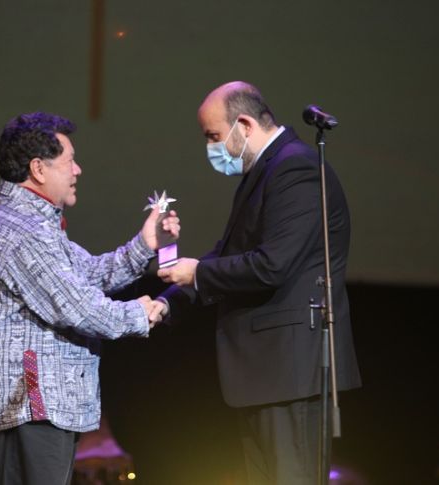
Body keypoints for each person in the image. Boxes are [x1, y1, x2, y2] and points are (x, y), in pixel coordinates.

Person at [157, 81, 361, 484]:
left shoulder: (296, 167)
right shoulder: (266, 170)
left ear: (245, 124)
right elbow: (229, 252)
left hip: (290, 370)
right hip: (268, 374)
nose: (211, 148)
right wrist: (168, 300)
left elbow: (272, 265)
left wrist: (196, 272)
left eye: (214, 136)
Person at [0, 111, 178, 485]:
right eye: (69, 161)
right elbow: (75, 305)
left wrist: (146, 245)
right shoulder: (20, 229)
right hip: (26, 405)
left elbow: (87, 275)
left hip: (35, 408)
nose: (77, 170)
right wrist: (140, 314)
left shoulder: (34, 224)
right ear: (39, 169)